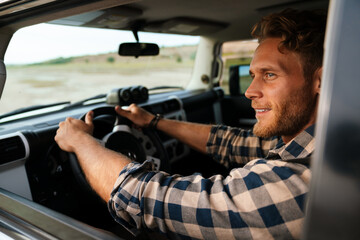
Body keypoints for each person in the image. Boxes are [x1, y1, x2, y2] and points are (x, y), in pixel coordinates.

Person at [55, 8, 326, 239]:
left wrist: (80, 141)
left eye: (269, 75)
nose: (249, 91)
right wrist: (154, 121)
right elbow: (231, 142)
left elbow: (145, 197)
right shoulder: (316, 144)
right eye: (252, 74)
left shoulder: (299, 184)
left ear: (321, 81)